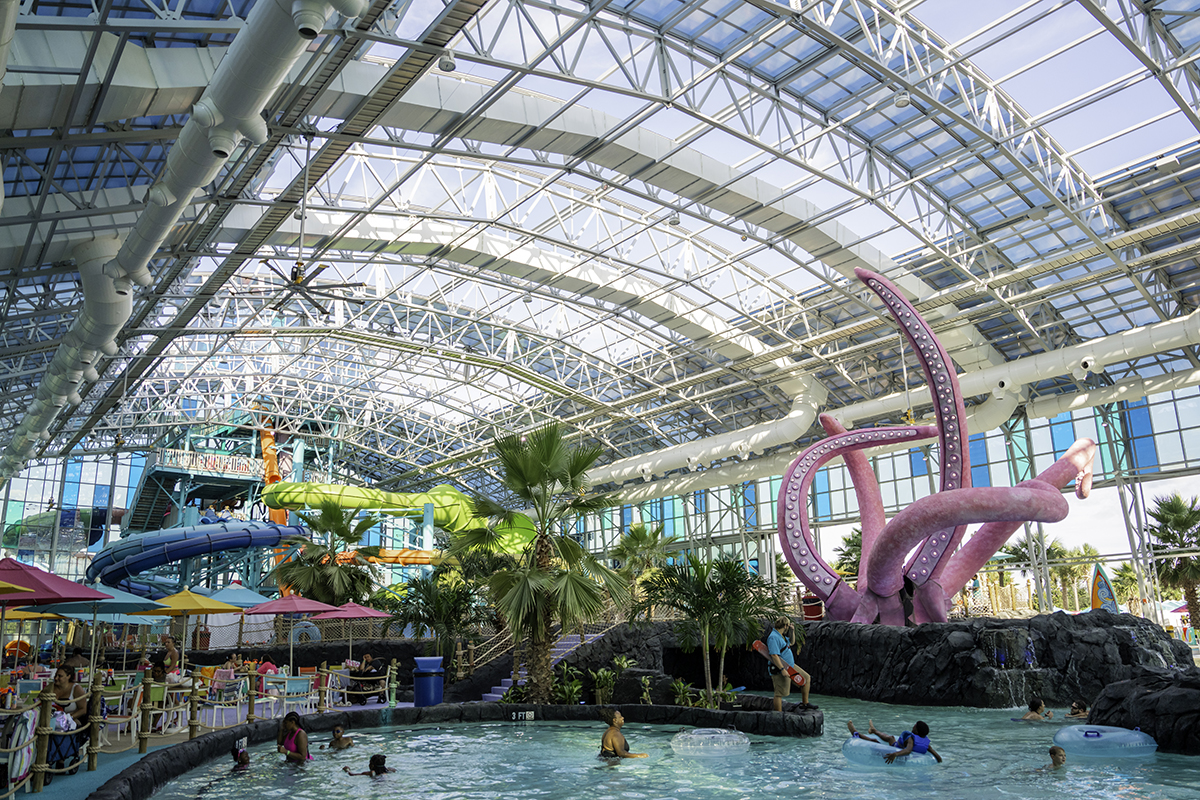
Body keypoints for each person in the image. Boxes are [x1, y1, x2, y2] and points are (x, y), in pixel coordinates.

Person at [766, 617, 814, 711]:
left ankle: (805, 703)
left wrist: (792, 631)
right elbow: (774, 655)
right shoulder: (773, 637)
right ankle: (778, 714)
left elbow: (791, 642)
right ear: (785, 626)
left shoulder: (781, 636)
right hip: (779, 668)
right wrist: (782, 669)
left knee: (806, 678)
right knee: (779, 693)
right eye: (788, 626)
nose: (788, 627)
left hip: (790, 666)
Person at [847, 719, 942, 764]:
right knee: (891, 738)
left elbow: (908, 750)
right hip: (898, 747)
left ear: (916, 731)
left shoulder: (911, 739)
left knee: (875, 741)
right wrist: (939, 763)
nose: (913, 726)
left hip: (897, 751)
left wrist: (895, 754)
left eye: (914, 726)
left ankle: (856, 733)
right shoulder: (926, 744)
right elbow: (938, 757)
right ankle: (873, 730)